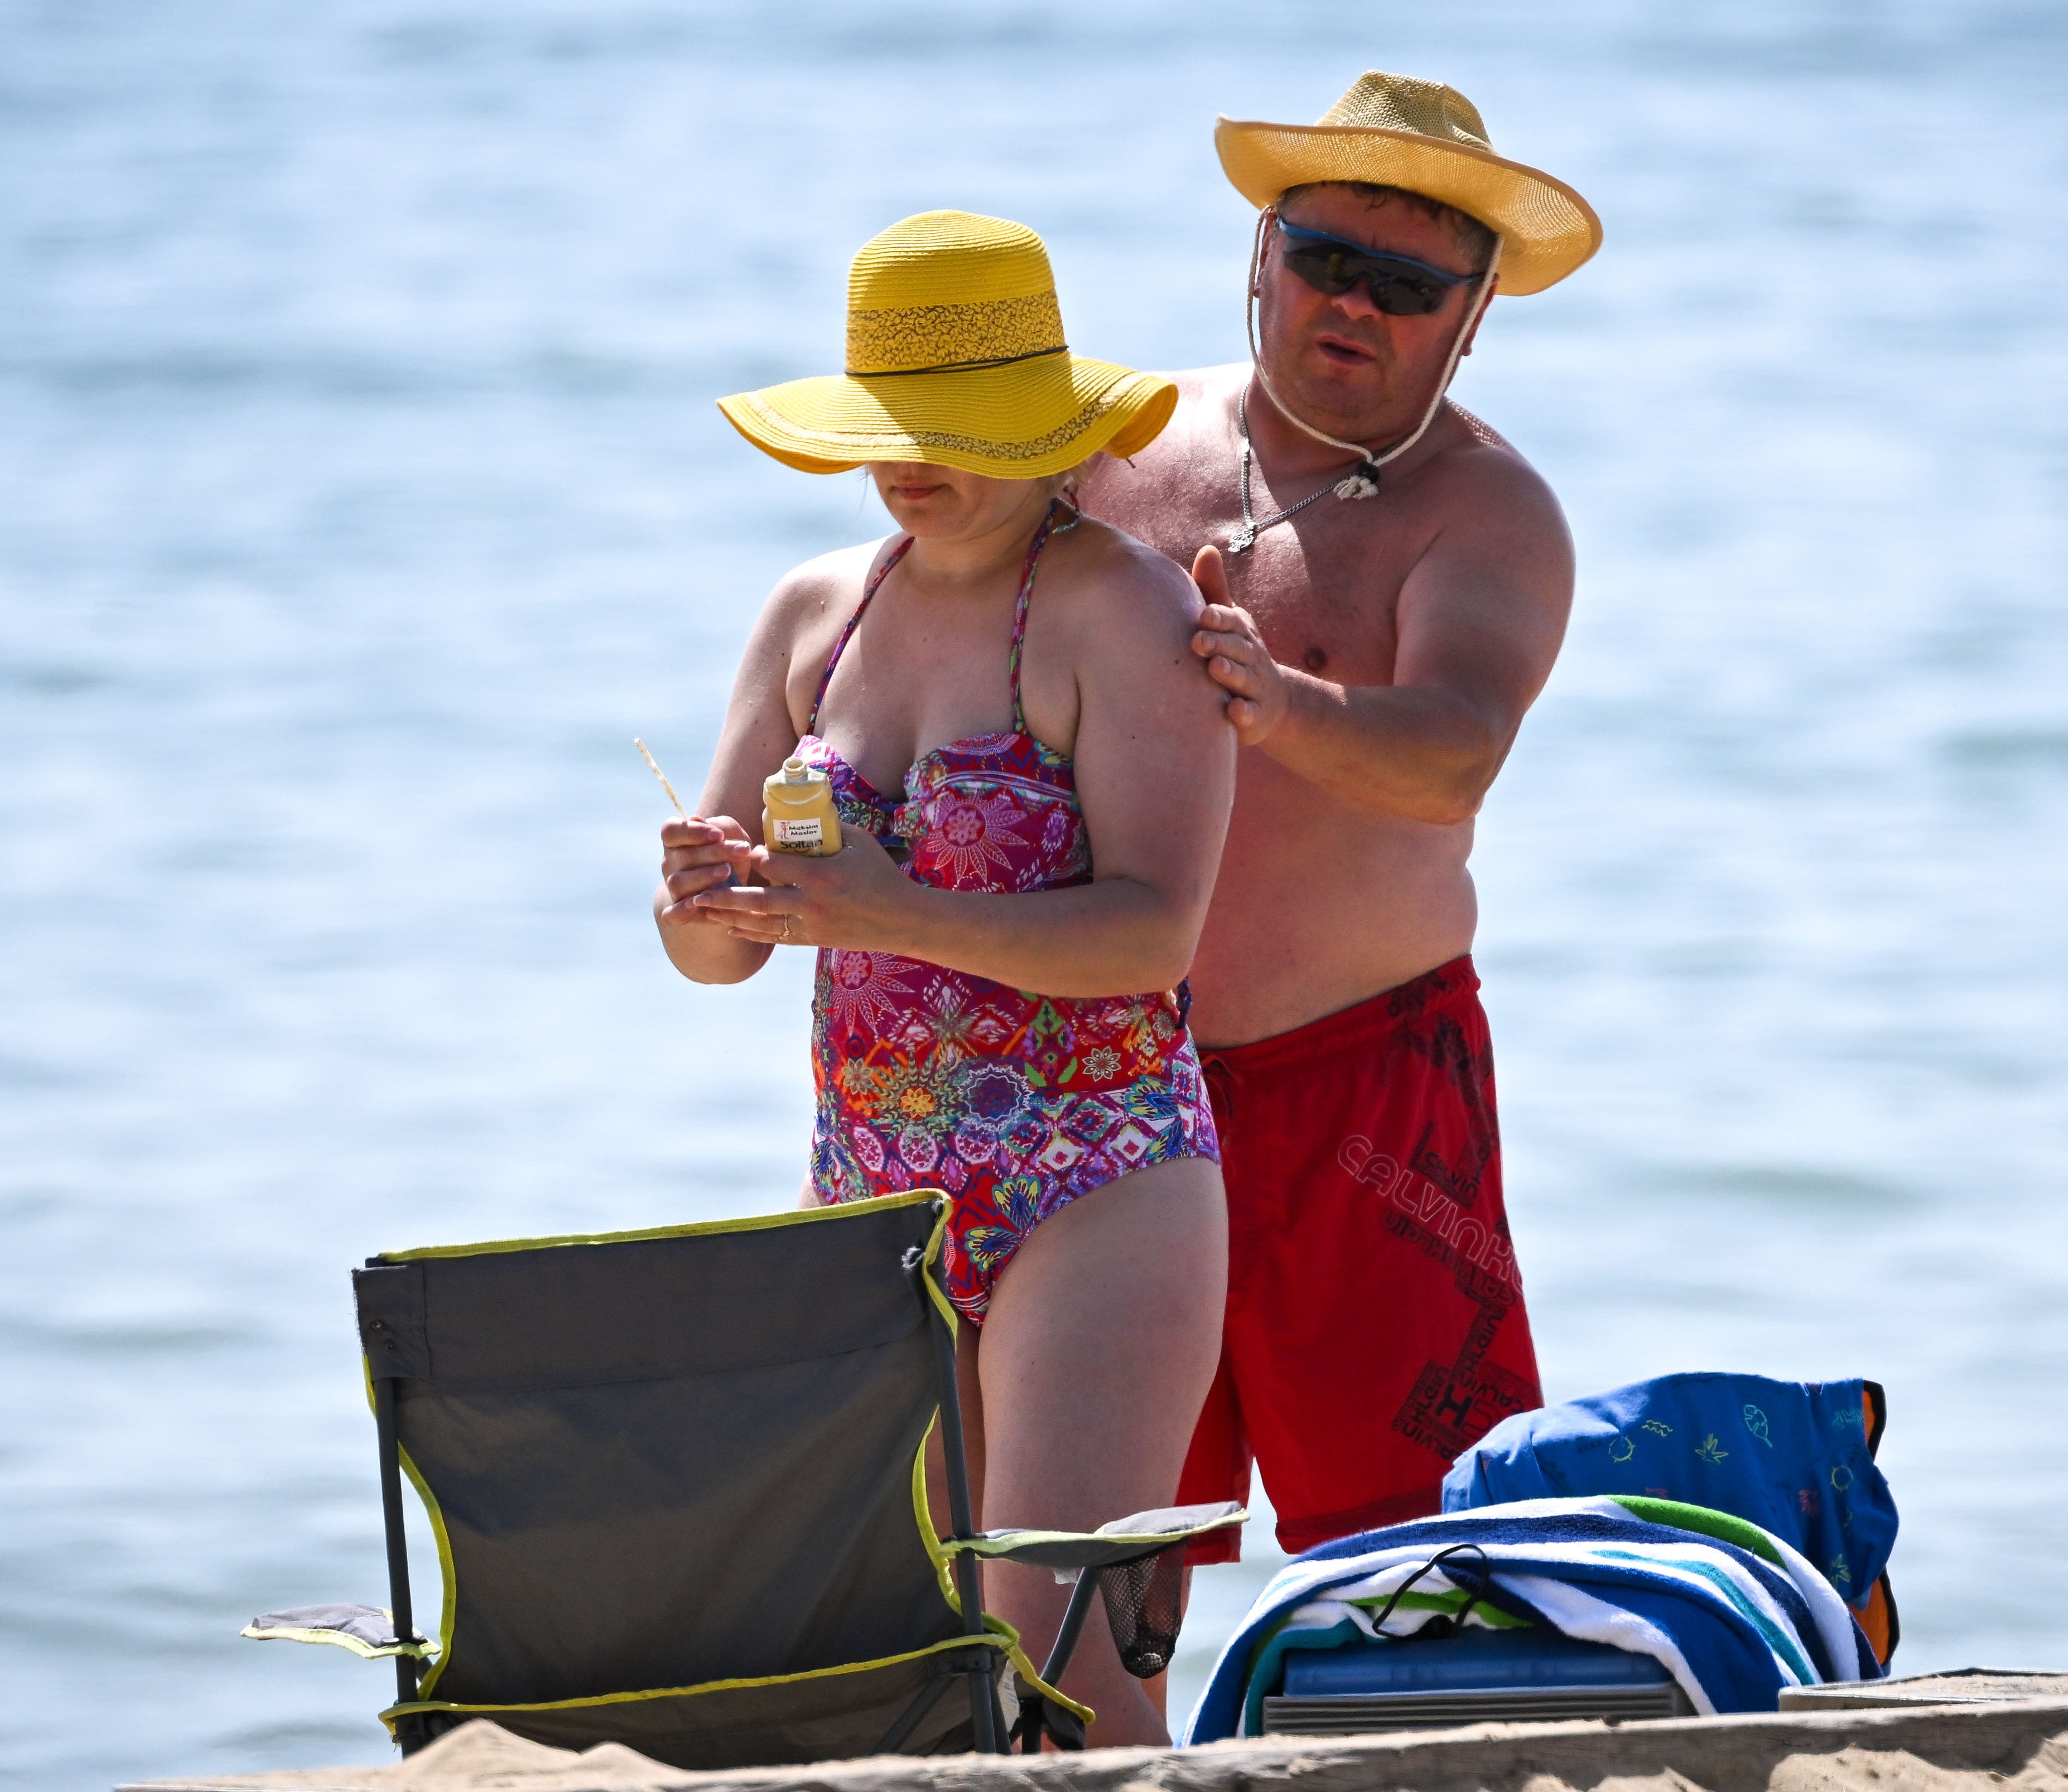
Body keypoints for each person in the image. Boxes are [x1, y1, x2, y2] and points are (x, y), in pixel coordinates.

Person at [652, 211, 1232, 1748]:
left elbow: (1155, 934)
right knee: (902, 1670)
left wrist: (885, 907)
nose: (917, 461)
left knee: (1069, 1671)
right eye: (894, 428)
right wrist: (702, 902)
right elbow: (716, 958)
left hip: (1097, 1178)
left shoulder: (1124, 608)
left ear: (1047, 429)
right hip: (873, 1188)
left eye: (962, 431)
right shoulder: (814, 616)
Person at [1076, 73, 1604, 1568]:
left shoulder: (1486, 510)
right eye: (1327, 260)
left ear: (1474, 313)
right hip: (1102, 1079)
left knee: (1418, 1572)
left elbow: (1455, 757)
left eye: (1409, 284)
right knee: (1089, 1556)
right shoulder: (1115, 449)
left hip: (1365, 1092)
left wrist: (1279, 705)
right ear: (1263, 253)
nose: (1355, 306)